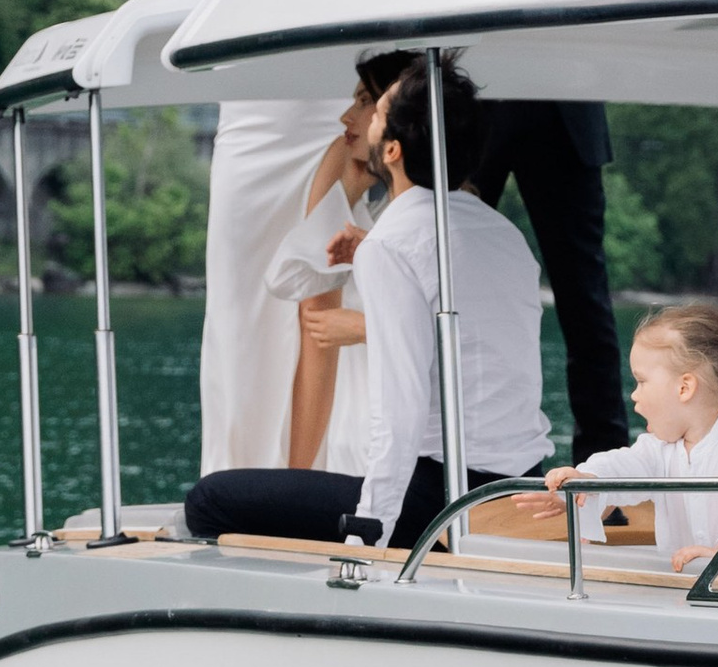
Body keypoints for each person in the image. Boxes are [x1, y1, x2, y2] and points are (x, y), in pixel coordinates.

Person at [185, 55, 552, 552]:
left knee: (209, 500)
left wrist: (369, 533)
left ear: (393, 149)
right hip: (519, 482)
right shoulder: (503, 234)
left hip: (442, 495)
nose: (351, 118)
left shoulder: (393, 244)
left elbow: (400, 412)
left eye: (374, 112)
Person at [414, 0, 630, 456]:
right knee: (445, 291)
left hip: (566, 106)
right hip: (471, 110)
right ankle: (447, 458)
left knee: (584, 301)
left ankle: (605, 473)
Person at [169, 0, 373, 472]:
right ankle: (233, 474)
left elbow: (374, 16)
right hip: (249, 130)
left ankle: (316, 478)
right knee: (236, 304)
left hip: (329, 128)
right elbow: (189, 26)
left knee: (321, 296)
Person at [521, 303, 718, 592]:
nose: (634, 395)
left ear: (684, 388)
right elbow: (623, 467)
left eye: (641, 381)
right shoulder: (659, 449)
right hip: (679, 588)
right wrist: (585, 482)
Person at [263, 46, 416, 476]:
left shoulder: (433, 221)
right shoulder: (355, 192)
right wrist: (346, 189)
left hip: (399, 433)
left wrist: (366, 328)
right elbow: (293, 286)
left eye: (365, 102)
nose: (346, 116)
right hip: (355, 429)